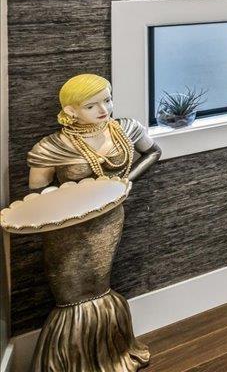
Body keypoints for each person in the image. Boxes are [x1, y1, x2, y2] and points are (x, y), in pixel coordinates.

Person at [24, 73, 160, 372]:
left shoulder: (125, 129)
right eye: (91, 105)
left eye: (107, 100)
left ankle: (111, 353)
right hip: (67, 227)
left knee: (99, 283)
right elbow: (36, 192)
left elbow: (153, 152)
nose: (104, 110)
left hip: (109, 218)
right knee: (69, 293)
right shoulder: (54, 146)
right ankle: (70, 362)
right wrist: (73, 199)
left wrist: (124, 182)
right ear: (71, 110)